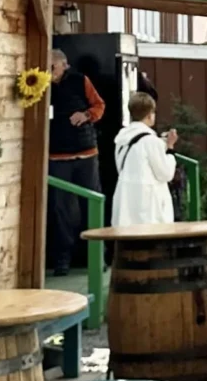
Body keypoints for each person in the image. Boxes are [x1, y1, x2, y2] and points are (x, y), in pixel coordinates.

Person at [44, 49, 105, 274]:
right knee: (60, 211)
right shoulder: (39, 83)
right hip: (56, 156)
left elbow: (100, 106)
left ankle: (97, 256)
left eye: (52, 67)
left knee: (91, 205)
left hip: (86, 153)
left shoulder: (80, 81)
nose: (48, 72)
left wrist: (86, 115)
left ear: (64, 65)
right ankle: (62, 260)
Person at [110, 90, 178, 229]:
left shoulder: (122, 139)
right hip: (148, 205)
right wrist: (170, 148)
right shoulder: (151, 141)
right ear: (149, 115)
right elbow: (165, 173)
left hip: (125, 200)